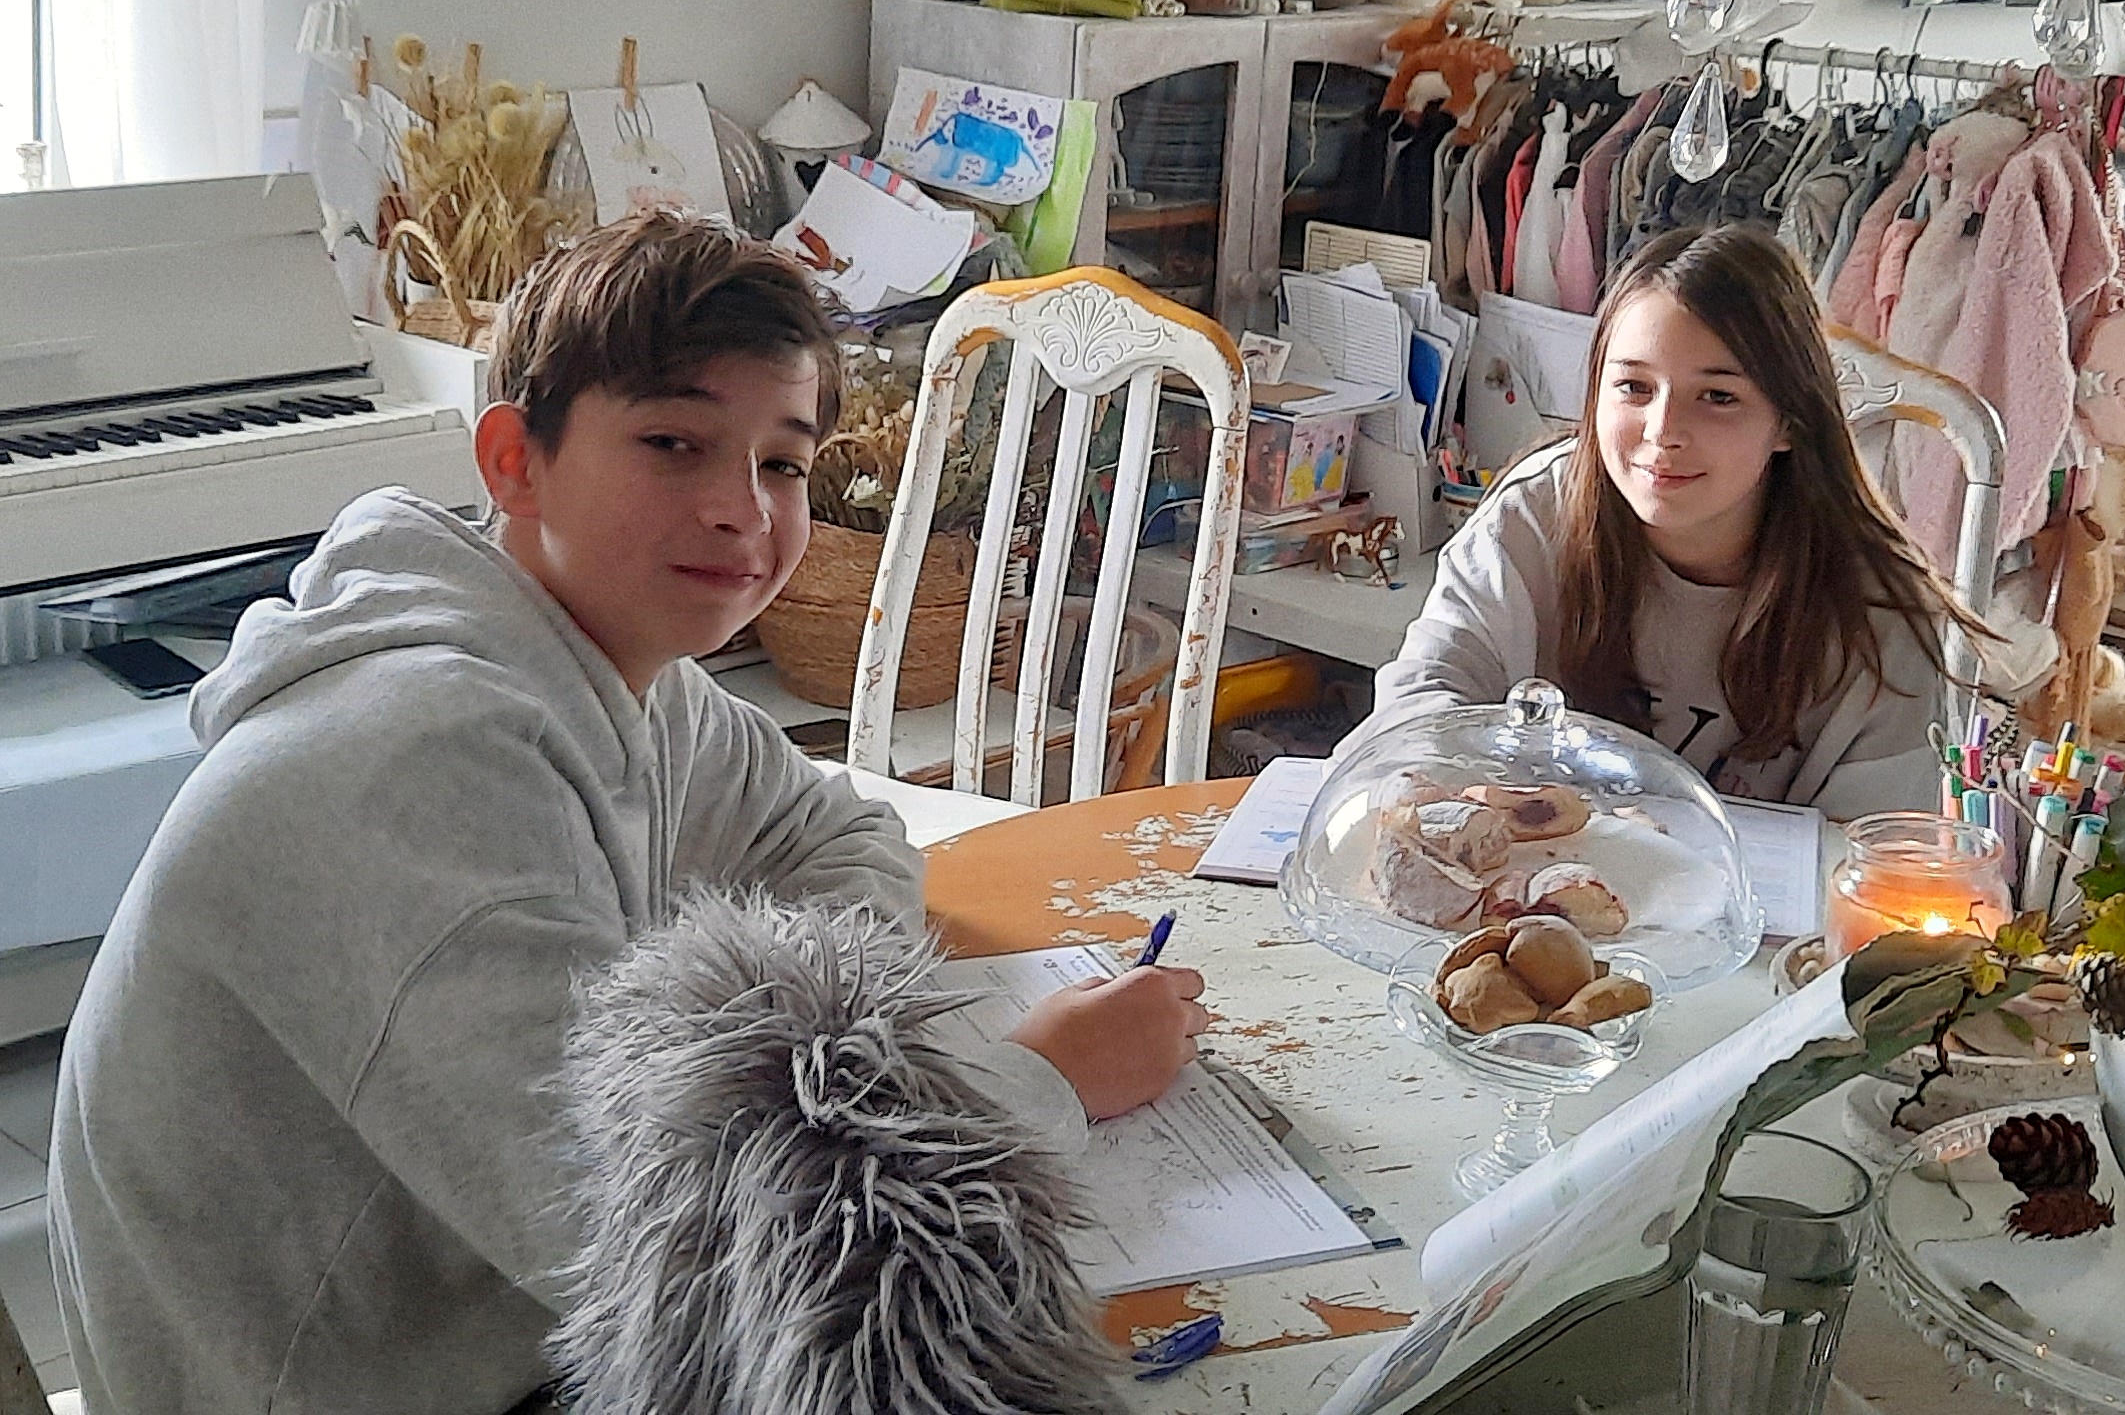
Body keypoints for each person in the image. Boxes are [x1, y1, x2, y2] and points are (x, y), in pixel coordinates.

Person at [50, 212, 1211, 1413]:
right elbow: (703, 1257)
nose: (743, 511)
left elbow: (836, 835)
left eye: (782, 463)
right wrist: (1040, 1086)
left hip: (494, 1316)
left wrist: (809, 1052)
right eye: (673, 443)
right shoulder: (413, 758)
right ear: (514, 461)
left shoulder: (616, 669)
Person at [1346, 223, 1968, 818]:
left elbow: (1874, 851)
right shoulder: (1532, 517)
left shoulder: (1878, 614)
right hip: (1537, 874)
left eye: (1718, 396)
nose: (1663, 431)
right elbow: (1420, 705)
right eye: (1634, 388)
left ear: (1788, 421)